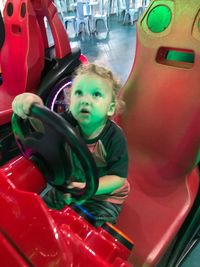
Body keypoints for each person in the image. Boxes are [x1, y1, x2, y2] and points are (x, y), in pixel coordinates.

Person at [12, 63, 130, 226]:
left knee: (91, 226)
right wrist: (31, 102)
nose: (85, 100)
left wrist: (88, 187)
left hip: (103, 196)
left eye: (95, 94)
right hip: (71, 186)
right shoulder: (67, 122)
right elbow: (43, 128)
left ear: (110, 108)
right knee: (39, 209)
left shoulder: (114, 137)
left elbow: (118, 178)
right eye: (79, 93)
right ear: (70, 100)